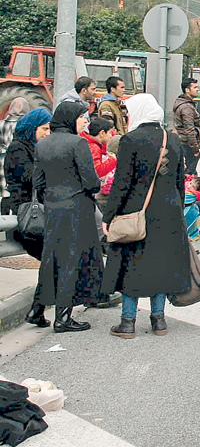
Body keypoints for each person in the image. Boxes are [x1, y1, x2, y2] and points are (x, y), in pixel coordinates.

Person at [101, 95, 190, 338]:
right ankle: (159, 319)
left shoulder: (130, 140)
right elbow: (179, 180)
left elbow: (121, 183)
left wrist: (108, 217)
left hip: (136, 210)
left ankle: (128, 321)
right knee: (161, 263)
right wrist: (178, 209)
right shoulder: (171, 138)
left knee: (132, 263)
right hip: (169, 211)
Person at [34, 102, 106, 333]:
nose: (85, 121)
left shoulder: (42, 143)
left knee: (51, 259)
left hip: (53, 207)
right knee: (71, 261)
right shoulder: (78, 143)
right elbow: (91, 181)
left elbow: (38, 182)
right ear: (71, 119)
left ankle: (37, 310)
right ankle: (63, 317)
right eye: (81, 117)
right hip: (77, 207)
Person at [5, 109, 52, 327]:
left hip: (34, 212)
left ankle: (38, 309)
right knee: (52, 261)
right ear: (31, 129)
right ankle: (38, 309)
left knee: (52, 262)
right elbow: (31, 178)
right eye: (43, 129)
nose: (47, 133)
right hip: (25, 213)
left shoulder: (33, 148)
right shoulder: (18, 149)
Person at [0, 97, 29, 201]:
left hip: (2, 157)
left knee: (3, 189)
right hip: (16, 158)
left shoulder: (2, 123)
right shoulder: (23, 124)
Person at [81, 117, 118, 193]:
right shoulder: (94, 148)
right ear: (102, 133)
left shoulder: (86, 143)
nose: (111, 136)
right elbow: (97, 171)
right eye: (109, 132)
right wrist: (112, 160)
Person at [173, 78, 200, 176]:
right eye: (195, 87)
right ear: (187, 90)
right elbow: (189, 129)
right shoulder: (186, 107)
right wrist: (195, 149)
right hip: (187, 144)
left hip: (184, 142)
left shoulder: (186, 105)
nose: (197, 89)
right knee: (189, 174)